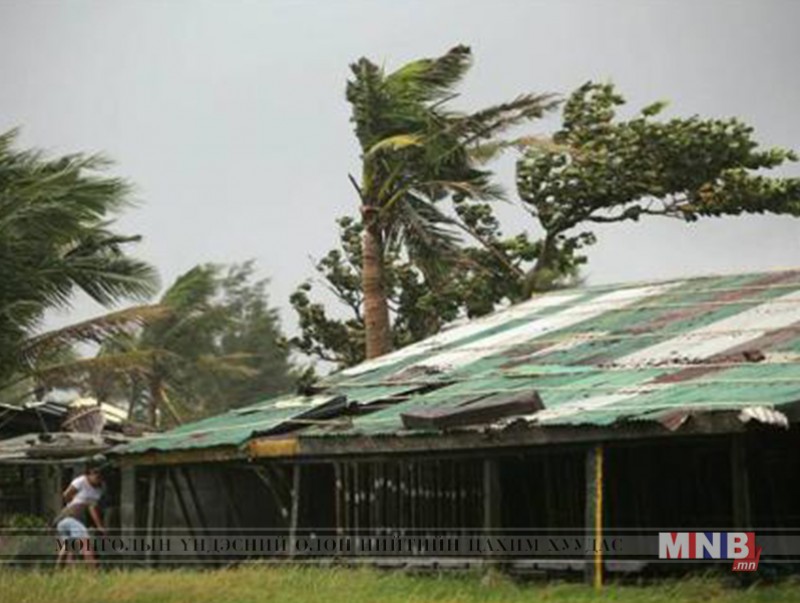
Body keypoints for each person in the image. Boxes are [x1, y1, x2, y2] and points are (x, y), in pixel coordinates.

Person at [54, 460, 107, 567]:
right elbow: (66, 495)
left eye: (100, 475)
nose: (98, 477)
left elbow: (92, 508)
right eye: (95, 473)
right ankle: (93, 570)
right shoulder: (81, 481)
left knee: (68, 547)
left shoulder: (100, 489)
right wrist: (100, 527)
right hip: (71, 517)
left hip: (68, 520)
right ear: (89, 474)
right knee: (85, 542)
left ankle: (59, 570)